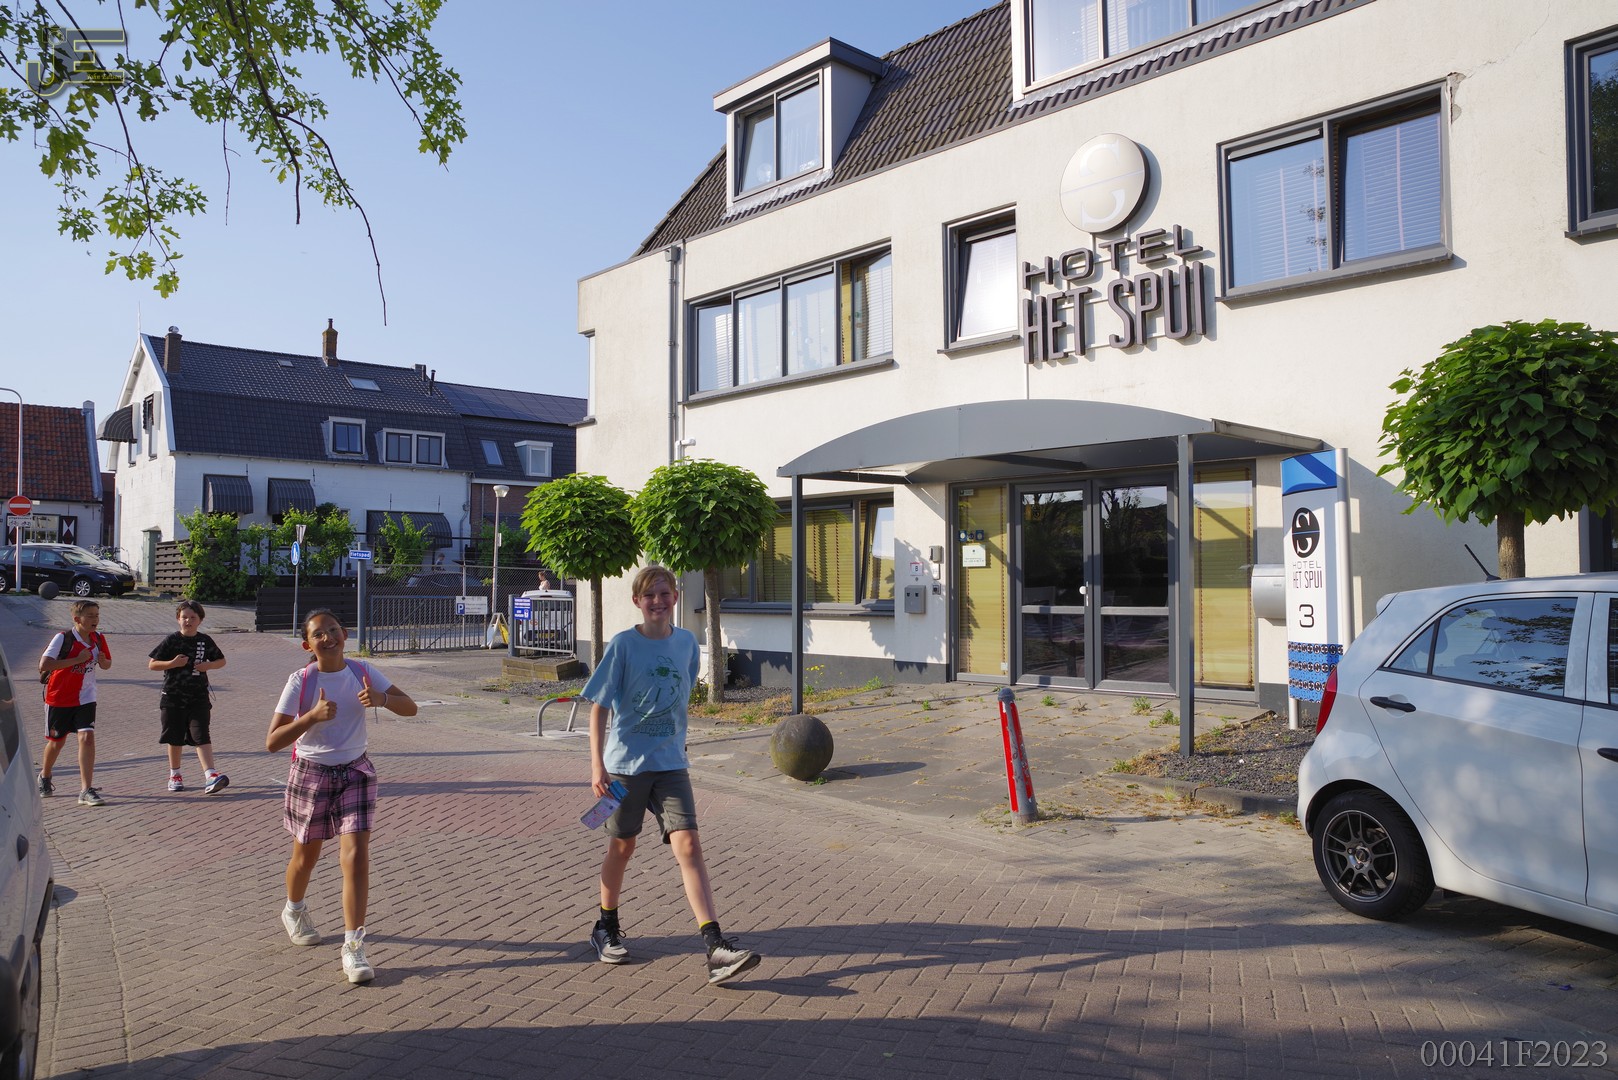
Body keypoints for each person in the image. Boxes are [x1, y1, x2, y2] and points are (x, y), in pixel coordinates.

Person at [582, 565, 761, 986]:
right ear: (637, 602)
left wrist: (679, 744)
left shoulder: (685, 644)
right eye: (649, 595)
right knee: (622, 847)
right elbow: (598, 707)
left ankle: (715, 946)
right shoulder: (624, 645)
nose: (658, 602)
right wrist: (597, 765)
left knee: (689, 845)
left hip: (670, 766)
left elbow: (679, 698)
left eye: (664, 594)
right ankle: (605, 926)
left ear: (676, 597)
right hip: (625, 767)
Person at [266, 609, 417, 985]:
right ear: (308, 644)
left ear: (345, 634)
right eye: (318, 634)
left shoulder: (362, 671)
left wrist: (382, 698)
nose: (328, 637)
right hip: (311, 773)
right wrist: (310, 717)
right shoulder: (301, 680)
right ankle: (294, 909)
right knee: (306, 857)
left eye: (333, 630)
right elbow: (273, 741)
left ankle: (353, 946)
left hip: (355, 773)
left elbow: (410, 708)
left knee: (356, 857)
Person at [147, 599, 230, 795]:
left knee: (201, 733)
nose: (188, 621)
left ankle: (210, 775)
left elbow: (221, 660)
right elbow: (152, 664)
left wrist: (208, 665)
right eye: (184, 617)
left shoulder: (205, 640)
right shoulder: (171, 640)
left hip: (198, 696)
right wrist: (172, 663)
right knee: (175, 737)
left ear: (200, 620)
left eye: (193, 618)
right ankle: (175, 775)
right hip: (173, 697)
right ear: (178, 619)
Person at [38, 599, 112, 806]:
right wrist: (77, 660)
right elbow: (44, 664)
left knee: (87, 738)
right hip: (59, 698)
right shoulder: (63, 638)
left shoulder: (98, 639)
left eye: (97, 615)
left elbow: (107, 664)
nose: (95, 619)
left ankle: (86, 790)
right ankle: (45, 775)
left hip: (86, 697)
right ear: (77, 619)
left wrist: (104, 662)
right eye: (90, 616)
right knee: (57, 742)